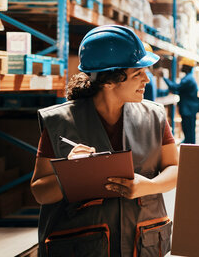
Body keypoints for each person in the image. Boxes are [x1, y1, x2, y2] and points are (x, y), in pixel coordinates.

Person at [30, 25, 178, 256]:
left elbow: (175, 169)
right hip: (83, 248)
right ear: (109, 81)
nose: (147, 79)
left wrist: (148, 186)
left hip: (142, 245)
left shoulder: (154, 117)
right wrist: (71, 173)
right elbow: (40, 191)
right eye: (137, 73)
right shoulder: (60, 122)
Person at [161, 57, 199, 144]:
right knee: (189, 131)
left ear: (187, 67)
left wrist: (164, 78)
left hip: (188, 110)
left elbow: (175, 88)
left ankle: (189, 149)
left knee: (188, 131)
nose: (181, 67)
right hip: (189, 109)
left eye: (183, 65)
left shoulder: (188, 79)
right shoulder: (189, 78)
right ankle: (189, 146)